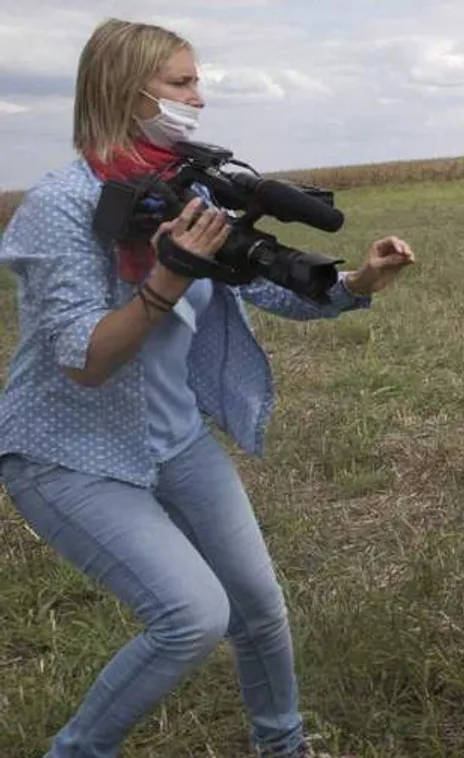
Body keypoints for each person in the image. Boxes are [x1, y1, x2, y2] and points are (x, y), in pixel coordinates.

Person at [0, 18, 415, 758]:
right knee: (191, 616)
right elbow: (84, 360)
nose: (200, 96)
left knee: (256, 607)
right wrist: (167, 275)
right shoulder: (61, 205)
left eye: (197, 80)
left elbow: (262, 284)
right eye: (182, 83)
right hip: (68, 452)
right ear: (128, 93)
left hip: (174, 439)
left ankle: (283, 747)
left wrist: (355, 282)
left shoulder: (190, 191)